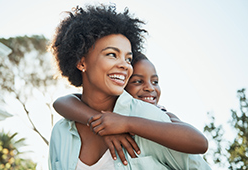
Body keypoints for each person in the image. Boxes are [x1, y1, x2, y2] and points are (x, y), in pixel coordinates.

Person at [49, 4, 211, 170]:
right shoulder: (61, 133)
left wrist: (127, 124)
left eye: (128, 59)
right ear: (81, 62)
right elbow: (61, 102)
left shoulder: (148, 116)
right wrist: (101, 126)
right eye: (112, 54)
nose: (125, 66)